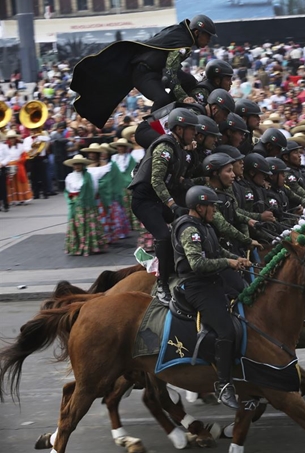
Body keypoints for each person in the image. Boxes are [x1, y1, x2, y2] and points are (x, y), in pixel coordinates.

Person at [171, 185, 251, 408]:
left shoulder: (204, 226)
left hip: (213, 281)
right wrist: (228, 263)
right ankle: (223, 385)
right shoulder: (190, 230)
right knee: (225, 330)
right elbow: (197, 263)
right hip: (197, 287)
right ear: (199, 207)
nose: (214, 211)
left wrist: (237, 259)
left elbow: (216, 251)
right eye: (211, 207)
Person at [71, 15, 217, 128]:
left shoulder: (180, 33)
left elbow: (170, 69)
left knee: (190, 81)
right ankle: (150, 127)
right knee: (162, 99)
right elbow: (170, 73)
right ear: (197, 32)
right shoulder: (182, 43)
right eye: (207, 35)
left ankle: (176, 111)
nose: (209, 40)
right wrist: (184, 97)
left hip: (157, 71)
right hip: (144, 74)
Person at [128, 108, 200, 304]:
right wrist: (172, 205)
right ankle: (162, 284)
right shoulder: (166, 148)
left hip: (157, 200)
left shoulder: (179, 149)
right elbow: (157, 180)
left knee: (188, 220)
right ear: (178, 129)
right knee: (164, 236)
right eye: (191, 129)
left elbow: (180, 180)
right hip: (144, 201)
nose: (194, 133)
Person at [202, 151, 261, 255]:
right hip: (215, 251)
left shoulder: (226, 190)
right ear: (216, 173)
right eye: (229, 171)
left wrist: (249, 220)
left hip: (230, 246)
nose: (233, 175)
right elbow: (223, 226)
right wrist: (248, 240)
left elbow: (233, 211)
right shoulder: (208, 196)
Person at [63, 154, 106, 256]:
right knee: (77, 224)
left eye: (79, 164)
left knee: (88, 224)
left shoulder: (90, 176)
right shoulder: (69, 177)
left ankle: (90, 246)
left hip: (88, 204)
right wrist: (73, 200)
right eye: (75, 164)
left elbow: (94, 189)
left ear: (83, 165)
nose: (77, 166)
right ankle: (77, 247)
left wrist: (87, 198)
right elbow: (68, 190)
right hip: (75, 203)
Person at [110, 138, 141, 230]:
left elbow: (132, 170)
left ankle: (132, 224)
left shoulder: (130, 158)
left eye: (122, 146)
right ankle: (122, 225)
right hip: (117, 184)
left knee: (130, 204)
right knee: (119, 204)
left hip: (127, 183)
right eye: (119, 146)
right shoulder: (113, 158)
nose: (120, 148)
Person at [3, 130, 33, 205]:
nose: (12, 140)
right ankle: (13, 199)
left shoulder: (20, 146)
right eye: (10, 138)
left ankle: (22, 198)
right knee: (10, 184)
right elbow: (4, 156)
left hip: (18, 165)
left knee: (19, 182)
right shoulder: (5, 147)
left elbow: (24, 156)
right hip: (9, 165)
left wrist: (19, 161)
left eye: (13, 138)